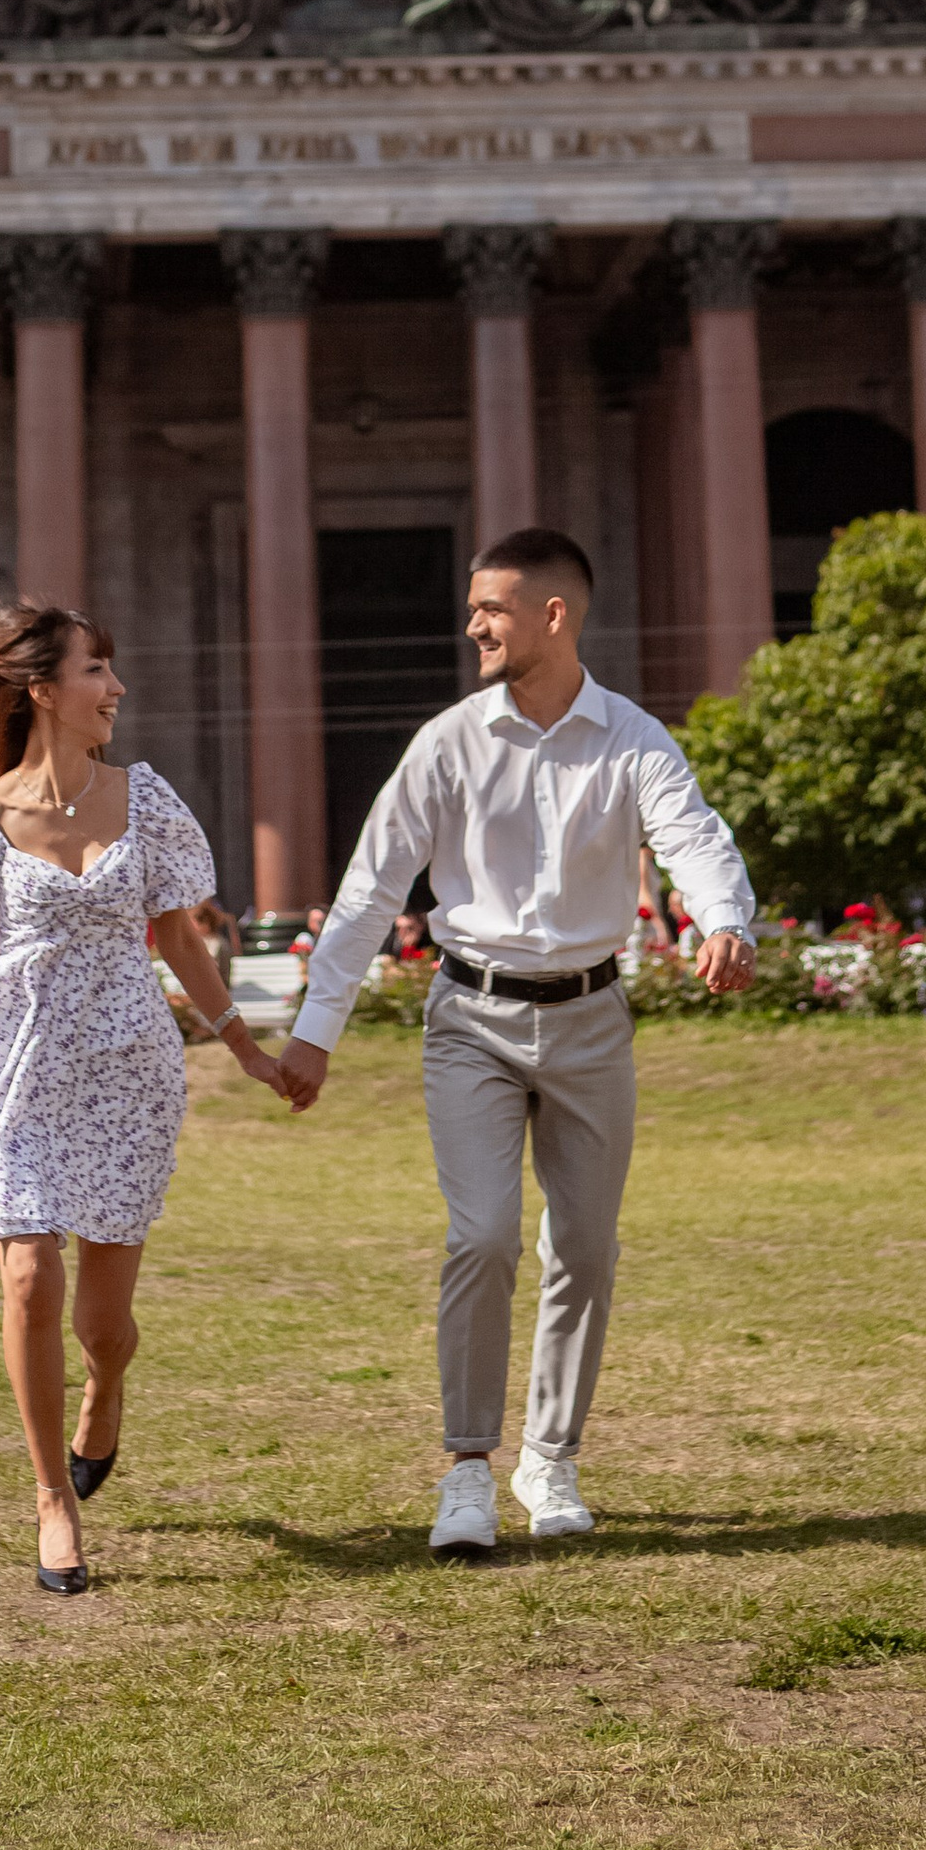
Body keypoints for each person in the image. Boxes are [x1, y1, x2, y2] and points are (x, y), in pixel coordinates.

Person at [278, 526, 756, 1558]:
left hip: (593, 1021)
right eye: (472, 610)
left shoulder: (633, 739)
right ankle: (466, 1471)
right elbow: (370, 888)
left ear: (553, 614)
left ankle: (551, 1460)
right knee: (483, 1235)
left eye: (490, 609)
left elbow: (692, 835)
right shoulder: (447, 743)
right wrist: (316, 1030)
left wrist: (723, 919)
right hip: (471, 1021)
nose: (473, 628)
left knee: (584, 1247)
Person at [0, 600, 288, 1595]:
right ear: (43, 690)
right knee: (27, 1277)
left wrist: (245, 1048)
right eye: (96, 669)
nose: (115, 688)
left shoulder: (145, 799)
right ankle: (53, 1498)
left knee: (103, 1322)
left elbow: (179, 939)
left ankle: (106, 1386)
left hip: (128, 1071)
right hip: (16, 1073)